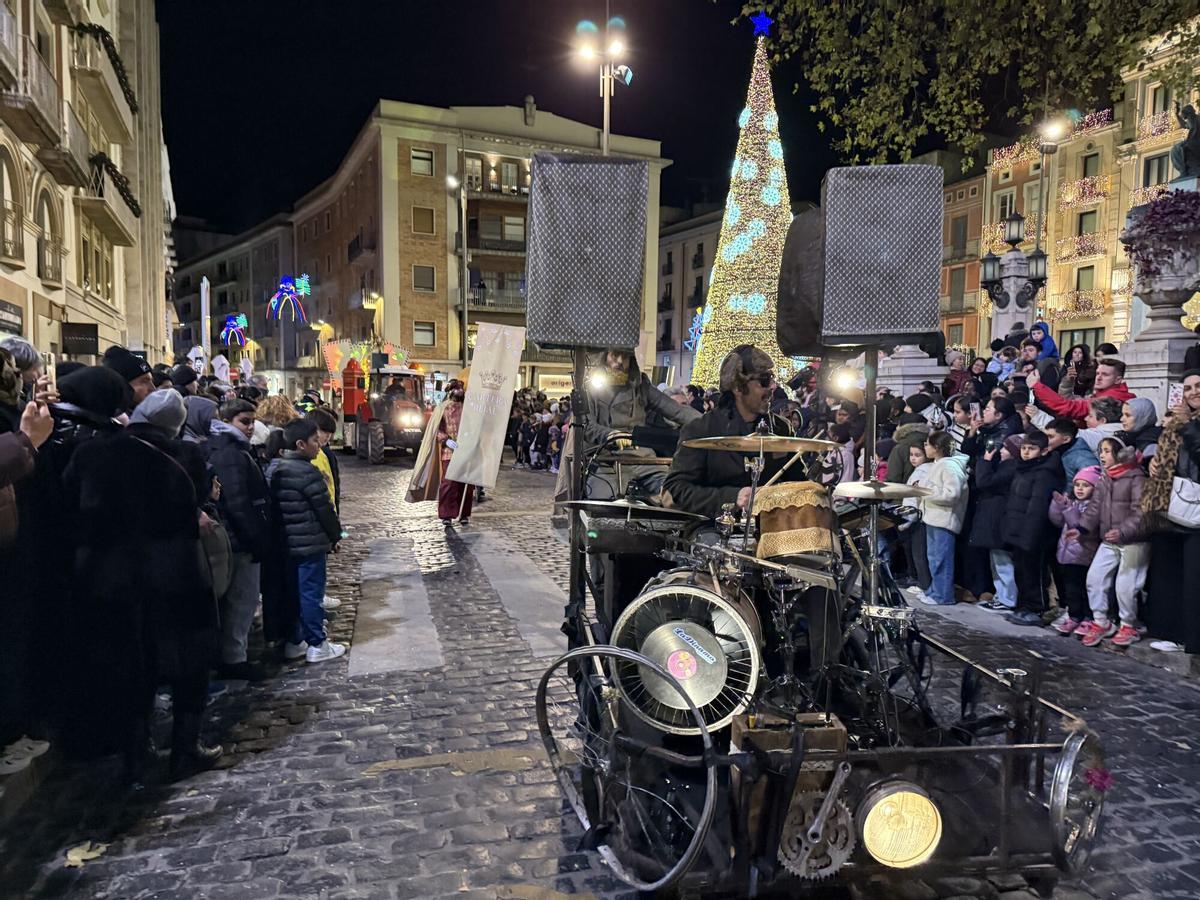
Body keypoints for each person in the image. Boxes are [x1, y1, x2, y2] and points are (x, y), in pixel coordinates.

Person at [63, 387, 222, 782]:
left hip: (111, 577)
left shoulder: (93, 453)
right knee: (188, 664)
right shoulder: (186, 454)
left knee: (131, 667)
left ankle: (136, 756)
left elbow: (70, 502)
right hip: (174, 574)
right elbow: (196, 501)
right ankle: (186, 748)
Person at [664, 345, 790, 519]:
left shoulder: (780, 428)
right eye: (764, 380)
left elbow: (796, 479)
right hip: (713, 526)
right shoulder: (701, 429)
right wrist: (733, 497)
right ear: (738, 388)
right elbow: (677, 488)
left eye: (772, 379)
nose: (772, 387)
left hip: (771, 525)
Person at [205, 398, 272, 681]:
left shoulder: (228, 447)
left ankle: (232, 655)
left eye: (252, 421)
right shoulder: (231, 452)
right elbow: (238, 501)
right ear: (227, 420)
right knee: (241, 600)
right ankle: (234, 659)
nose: (250, 427)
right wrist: (255, 538)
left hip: (233, 537)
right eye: (244, 421)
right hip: (239, 541)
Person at [268, 418, 344, 663]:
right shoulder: (307, 472)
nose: (318, 446)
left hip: (285, 544)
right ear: (300, 444)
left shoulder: (274, 469)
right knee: (311, 593)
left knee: (292, 592)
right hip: (310, 543)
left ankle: (295, 640)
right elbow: (324, 510)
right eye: (314, 441)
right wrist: (336, 536)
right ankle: (317, 644)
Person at [582, 349, 699, 501]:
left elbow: (675, 410)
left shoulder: (640, 386)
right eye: (614, 355)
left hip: (643, 459)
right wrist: (610, 435)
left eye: (624, 356)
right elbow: (587, 425)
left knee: (676, 493)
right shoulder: (588, 388)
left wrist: (710, 422)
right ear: (604, 357)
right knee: (602, 501)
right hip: (605, 461)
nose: (619, 362)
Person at [1143, 370, 1200, 654]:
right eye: (1188, 387)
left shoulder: (1190, 423)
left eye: (1198, 386)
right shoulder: (1182, 421)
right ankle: (1174, 633)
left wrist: (1189, 426)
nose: (1192, 392)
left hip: (1196, 506)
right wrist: (1154, 464)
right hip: (1173, 501)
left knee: (1193, 578)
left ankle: (1192, 640)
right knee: (1171, 572)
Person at [1077, 437, 1149, 648]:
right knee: (1095, 578)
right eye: (1101, 451)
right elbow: (1095, 506)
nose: (1102, 455)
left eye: (1107, 451)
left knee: (1126, 585)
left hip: (1134, 540)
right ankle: (1101, 621)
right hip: (1109, 539)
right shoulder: (1106, 478)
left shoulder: (1137, 478)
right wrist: (1082, 527)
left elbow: (1141, 511)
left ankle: (1128, 624)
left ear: (1120, 453)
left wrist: (1122, 531)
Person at [1001, 429, 1063, 626]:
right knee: (1021, 571)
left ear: (1043, 451)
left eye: (1032, 449)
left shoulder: (1045, 473)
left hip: (1034, 534)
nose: (1026, 452)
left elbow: (1037, 507)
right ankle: (1023, 605)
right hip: (1017, 530)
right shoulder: (1023, 468)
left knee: (1033, 572)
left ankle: (1036, 607)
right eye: (1024, 448)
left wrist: (1029, 536)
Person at [912, 431, 969, 606]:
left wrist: (923, 491)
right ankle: (934, 591)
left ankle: (943, 595)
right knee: (933, 557)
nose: (925, 448)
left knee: (941, 559)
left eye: (927, 445)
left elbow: (951, 494)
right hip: (932, 516)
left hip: (944, 518)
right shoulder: (938, 464)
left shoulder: (949, 466)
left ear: (937, 448)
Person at [969, 430, 1022, 612]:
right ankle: (1001, 595)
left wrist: (985, 460)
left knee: (1002, 560)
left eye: (1006, 448)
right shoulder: (1005, 465)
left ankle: (1008, 598)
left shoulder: (1011, 467)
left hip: (999, 518)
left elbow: (984, 481)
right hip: (994, 517)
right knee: (996, 560)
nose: (1001, 450)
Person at [1048, 466, 1102, 636]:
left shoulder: (1093, 507)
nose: (1079, 488)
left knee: (1084, 588)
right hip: (1067, 555)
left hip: (1083, 555)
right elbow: (1057, 521)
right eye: (1077, 484)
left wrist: (1068, 509)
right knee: (1071, 589)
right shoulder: (1073, 503)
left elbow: (1079, 526)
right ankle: (1074, 616)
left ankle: (1087, 617)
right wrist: (1058, 506)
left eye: (1085, 485)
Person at [1027, 357, 1134, 425]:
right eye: (1097, 373)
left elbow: (1069, 407)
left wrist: (1037, 386)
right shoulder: (1104, 393)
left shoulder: (1111, 397)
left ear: (1118, 380)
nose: (1099, 378)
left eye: (1105, 375)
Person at [1043, 416, 1100, 491]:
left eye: (1050, 437)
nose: (1044, 440)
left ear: (1066, 439)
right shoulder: (1053, 453)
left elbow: (1093, 483)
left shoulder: (1083, 458)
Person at [884, 413, 931, 485]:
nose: (896, 427)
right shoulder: (931, 444)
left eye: (899, 425)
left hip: (903, 492)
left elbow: (893, 478)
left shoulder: (899, 448)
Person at [1117, 398, 1161, 466]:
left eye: (1128, 415)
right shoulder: (1129, 437)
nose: (1121, 419)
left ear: (1143, 417)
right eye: (1122, 414)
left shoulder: (1150, 442)